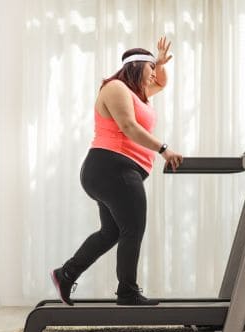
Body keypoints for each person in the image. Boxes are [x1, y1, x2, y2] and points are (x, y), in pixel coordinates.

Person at [51, 36, 183, 306]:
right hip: (112, 167)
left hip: (116, 170)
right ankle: (127, 292)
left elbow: (162, 82)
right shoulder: (115, 88)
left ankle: (65, 274)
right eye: (150, 70)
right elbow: (130, 128)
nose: (154, 77)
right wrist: (164, 149)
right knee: (133, 228)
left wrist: (158, 63)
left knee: (111, 232)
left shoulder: (138, 93)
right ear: (136, 68)